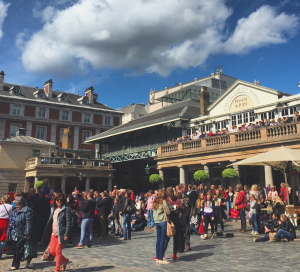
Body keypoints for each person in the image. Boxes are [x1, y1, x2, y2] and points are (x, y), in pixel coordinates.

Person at [43, 193, 71, 272]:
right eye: (58, 200)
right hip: (53, 233)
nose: (59, 201)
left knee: (58, 251)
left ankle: (56, 270)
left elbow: (69, 223)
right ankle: (65, 260)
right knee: (52, 251)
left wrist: (66, 234)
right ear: (55, 200)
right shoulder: (53, 209)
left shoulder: (66, 209)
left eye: (61, 200)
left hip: (61, 233)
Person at [7, 196, 34, 270]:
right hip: (15, 233)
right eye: (16, 204)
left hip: (22, 233)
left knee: (18, 249)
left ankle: (15, 265)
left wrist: (28, 233)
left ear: (22, 204)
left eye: (18, 204)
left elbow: (29, 223)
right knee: (16, 249)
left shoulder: (27, 211)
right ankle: (19, 263)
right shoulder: (16, 210)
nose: (16, 206)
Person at [164, 187, 183, 261]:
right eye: (169, 194)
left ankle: (174, 253)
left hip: (176, 221)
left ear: (173, 193)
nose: (170, 196)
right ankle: (162, 253)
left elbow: (182, 208)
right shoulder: (166, 200)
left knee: (176, 238)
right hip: (169, 221)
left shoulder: (177, 199)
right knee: (167, 238)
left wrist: (178, 207)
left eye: (171, 194)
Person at [152, 190, 170, 264]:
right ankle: (161, 258)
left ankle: (157, 257)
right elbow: (168, 211)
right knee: (163, 240)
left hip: (156, 222)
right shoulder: (163, 201)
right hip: (162, 221)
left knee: (158, 240)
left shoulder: (155, 202)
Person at [0, 195, 14, 259]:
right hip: (6, 222)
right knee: (3, 238)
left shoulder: (0, 206)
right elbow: (12, 215)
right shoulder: (11, 206)